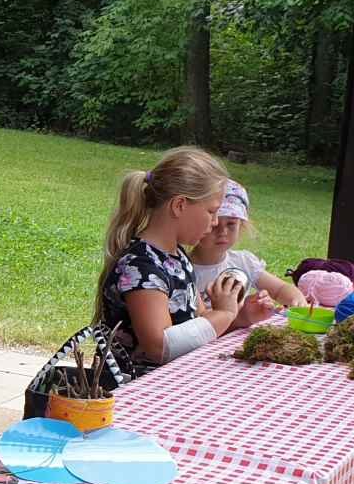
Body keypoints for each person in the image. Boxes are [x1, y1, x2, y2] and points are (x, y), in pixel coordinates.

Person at [92, 146, 244, 367]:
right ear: (179, 205)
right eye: (211, 212)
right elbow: (160, 346)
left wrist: (240, 315)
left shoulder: (177, 257)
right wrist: (225, 312)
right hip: (135, 385)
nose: (214, 223)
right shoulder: (141, 267)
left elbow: (199, 322)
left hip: (172, 379)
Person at [187, 179, 307, 327]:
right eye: (215, 224)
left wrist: (296, 299)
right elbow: (196, 327)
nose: (223, 232)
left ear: (241, 225)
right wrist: (243, 317)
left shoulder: (243, 262)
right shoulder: (183, 270)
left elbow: (280, 289)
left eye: (231, 224)